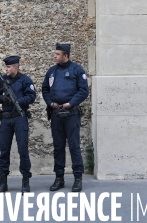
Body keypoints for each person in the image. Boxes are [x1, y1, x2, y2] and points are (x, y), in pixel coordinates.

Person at [42, 43, 89, 193]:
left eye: (57, 54)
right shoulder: (52, 71)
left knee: (74, 146)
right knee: (58, 147)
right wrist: (50, 103)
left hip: (71, 114)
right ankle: (59, 178)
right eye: (55, 54)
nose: (54, 56)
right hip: (56, 114)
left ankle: (77, 178)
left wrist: (70, 103)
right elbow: (45, 89)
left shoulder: (77, 70)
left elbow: (83, 91)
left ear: (65, 56)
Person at [0, 56, 36, 195]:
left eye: (9, 67)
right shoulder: (2, 81)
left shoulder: (25, 80)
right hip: (6, 119)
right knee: (4, 150)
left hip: (19, 117)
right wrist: (3, 98)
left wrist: (17, 100)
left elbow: (31, 97)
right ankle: (3, 181)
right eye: (6, 67)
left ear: (15, 68)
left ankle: (25, 180)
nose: (6, 69)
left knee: (23, 149)